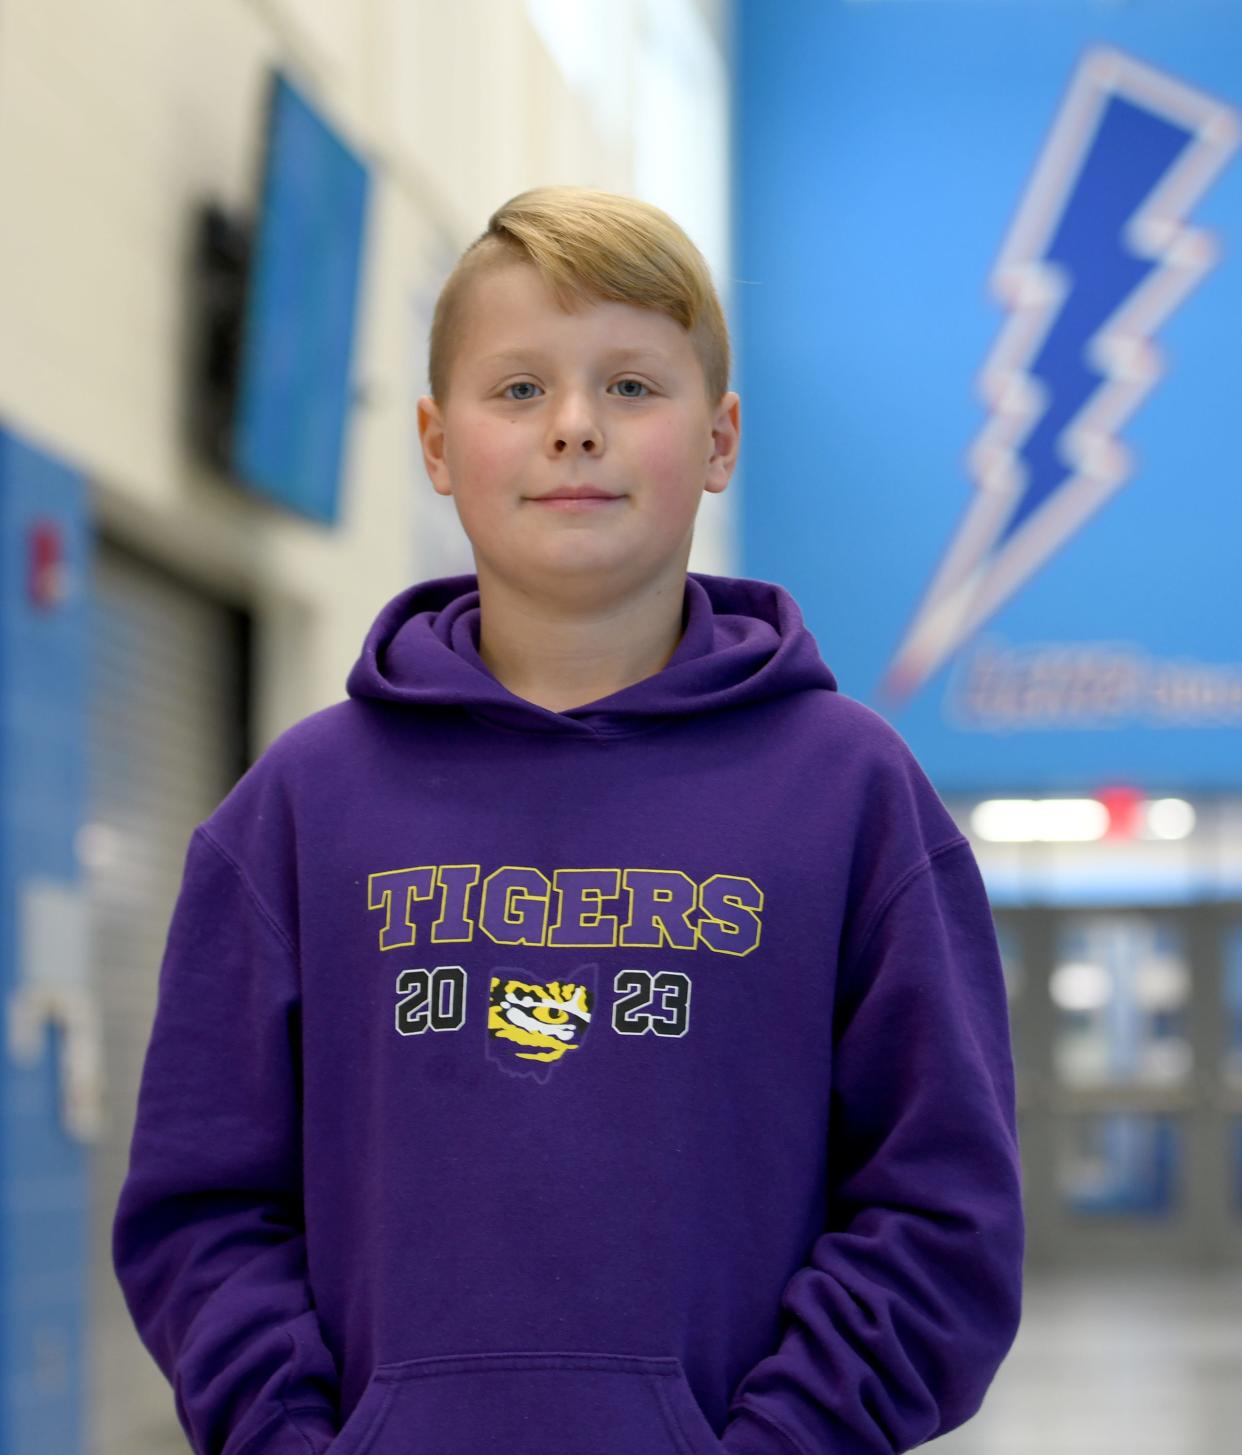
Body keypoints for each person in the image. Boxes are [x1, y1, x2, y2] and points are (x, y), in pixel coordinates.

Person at [113, 185, 1024, 1455]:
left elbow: (944, 1210)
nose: (577, 429)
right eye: (520, 388)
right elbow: (201, 1209)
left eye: (635, 387)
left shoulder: (854, 796)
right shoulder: (300, 810)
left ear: (720, 441)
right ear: (437, 444)